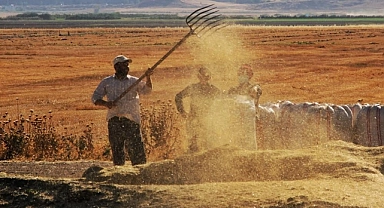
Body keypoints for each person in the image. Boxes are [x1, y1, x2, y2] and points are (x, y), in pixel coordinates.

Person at [92, 55, 153, 166]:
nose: (127, 67)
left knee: (137, 151)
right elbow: (95, 98)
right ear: (116, 67)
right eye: (124, 65)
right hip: (114, 120)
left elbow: (147, 91)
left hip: (131, 120)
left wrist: (148, 77)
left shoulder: (134, 81)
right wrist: (106, 104)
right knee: (117, 151)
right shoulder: (107, 82)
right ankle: (119, 175)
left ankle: (140, 174)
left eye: (127, 65)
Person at [175, 67, 222, 153]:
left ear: (209, 77)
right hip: (194, 120)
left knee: (208, 145)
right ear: (199, 77)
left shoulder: (213, 89)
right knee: (193, 145)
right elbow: (178, 97)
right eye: (202, 75)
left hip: (207, 121)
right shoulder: (193, 88)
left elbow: (223, 100)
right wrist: (182, 112)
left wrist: (218, 115)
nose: (204, 78)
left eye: (206, 76)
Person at [227, 64, 262, 150]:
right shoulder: (233, 90)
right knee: (236, 135)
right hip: (235, 116)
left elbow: (257, 92)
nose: (241, 76)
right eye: (240, 74)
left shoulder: (254, 87)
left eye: (244, 74)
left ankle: (251, 154)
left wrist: (255, 90)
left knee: (250, 135)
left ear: (249, 76)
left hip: (248, 116)